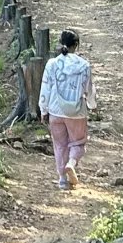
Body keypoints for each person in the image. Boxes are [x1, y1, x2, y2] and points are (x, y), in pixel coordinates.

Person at [39, 29, 97, 190]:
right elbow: (89, 89)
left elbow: (45, 87)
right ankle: (71, 163)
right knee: (78, 143)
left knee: (59, 145)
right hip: (76, 113)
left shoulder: (52, 64)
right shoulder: (84, 66)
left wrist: (43, 109)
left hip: (56, 111)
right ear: (76, 45)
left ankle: (62, 179)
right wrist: (92, 105)